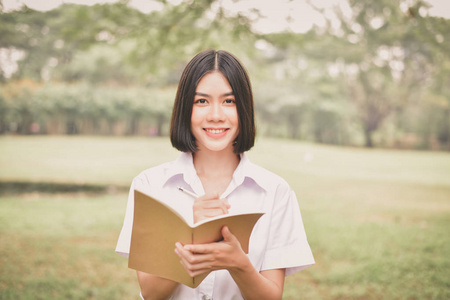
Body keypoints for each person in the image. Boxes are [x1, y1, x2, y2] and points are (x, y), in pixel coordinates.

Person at [116, 49, 315, 300]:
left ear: (243, 108)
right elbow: (151, 293)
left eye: (229, 101)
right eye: (202, 101)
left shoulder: (275, 191)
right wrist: (192, 239)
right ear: (185, 108)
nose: (216, 115)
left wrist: (238, 264)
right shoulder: (150, 186)